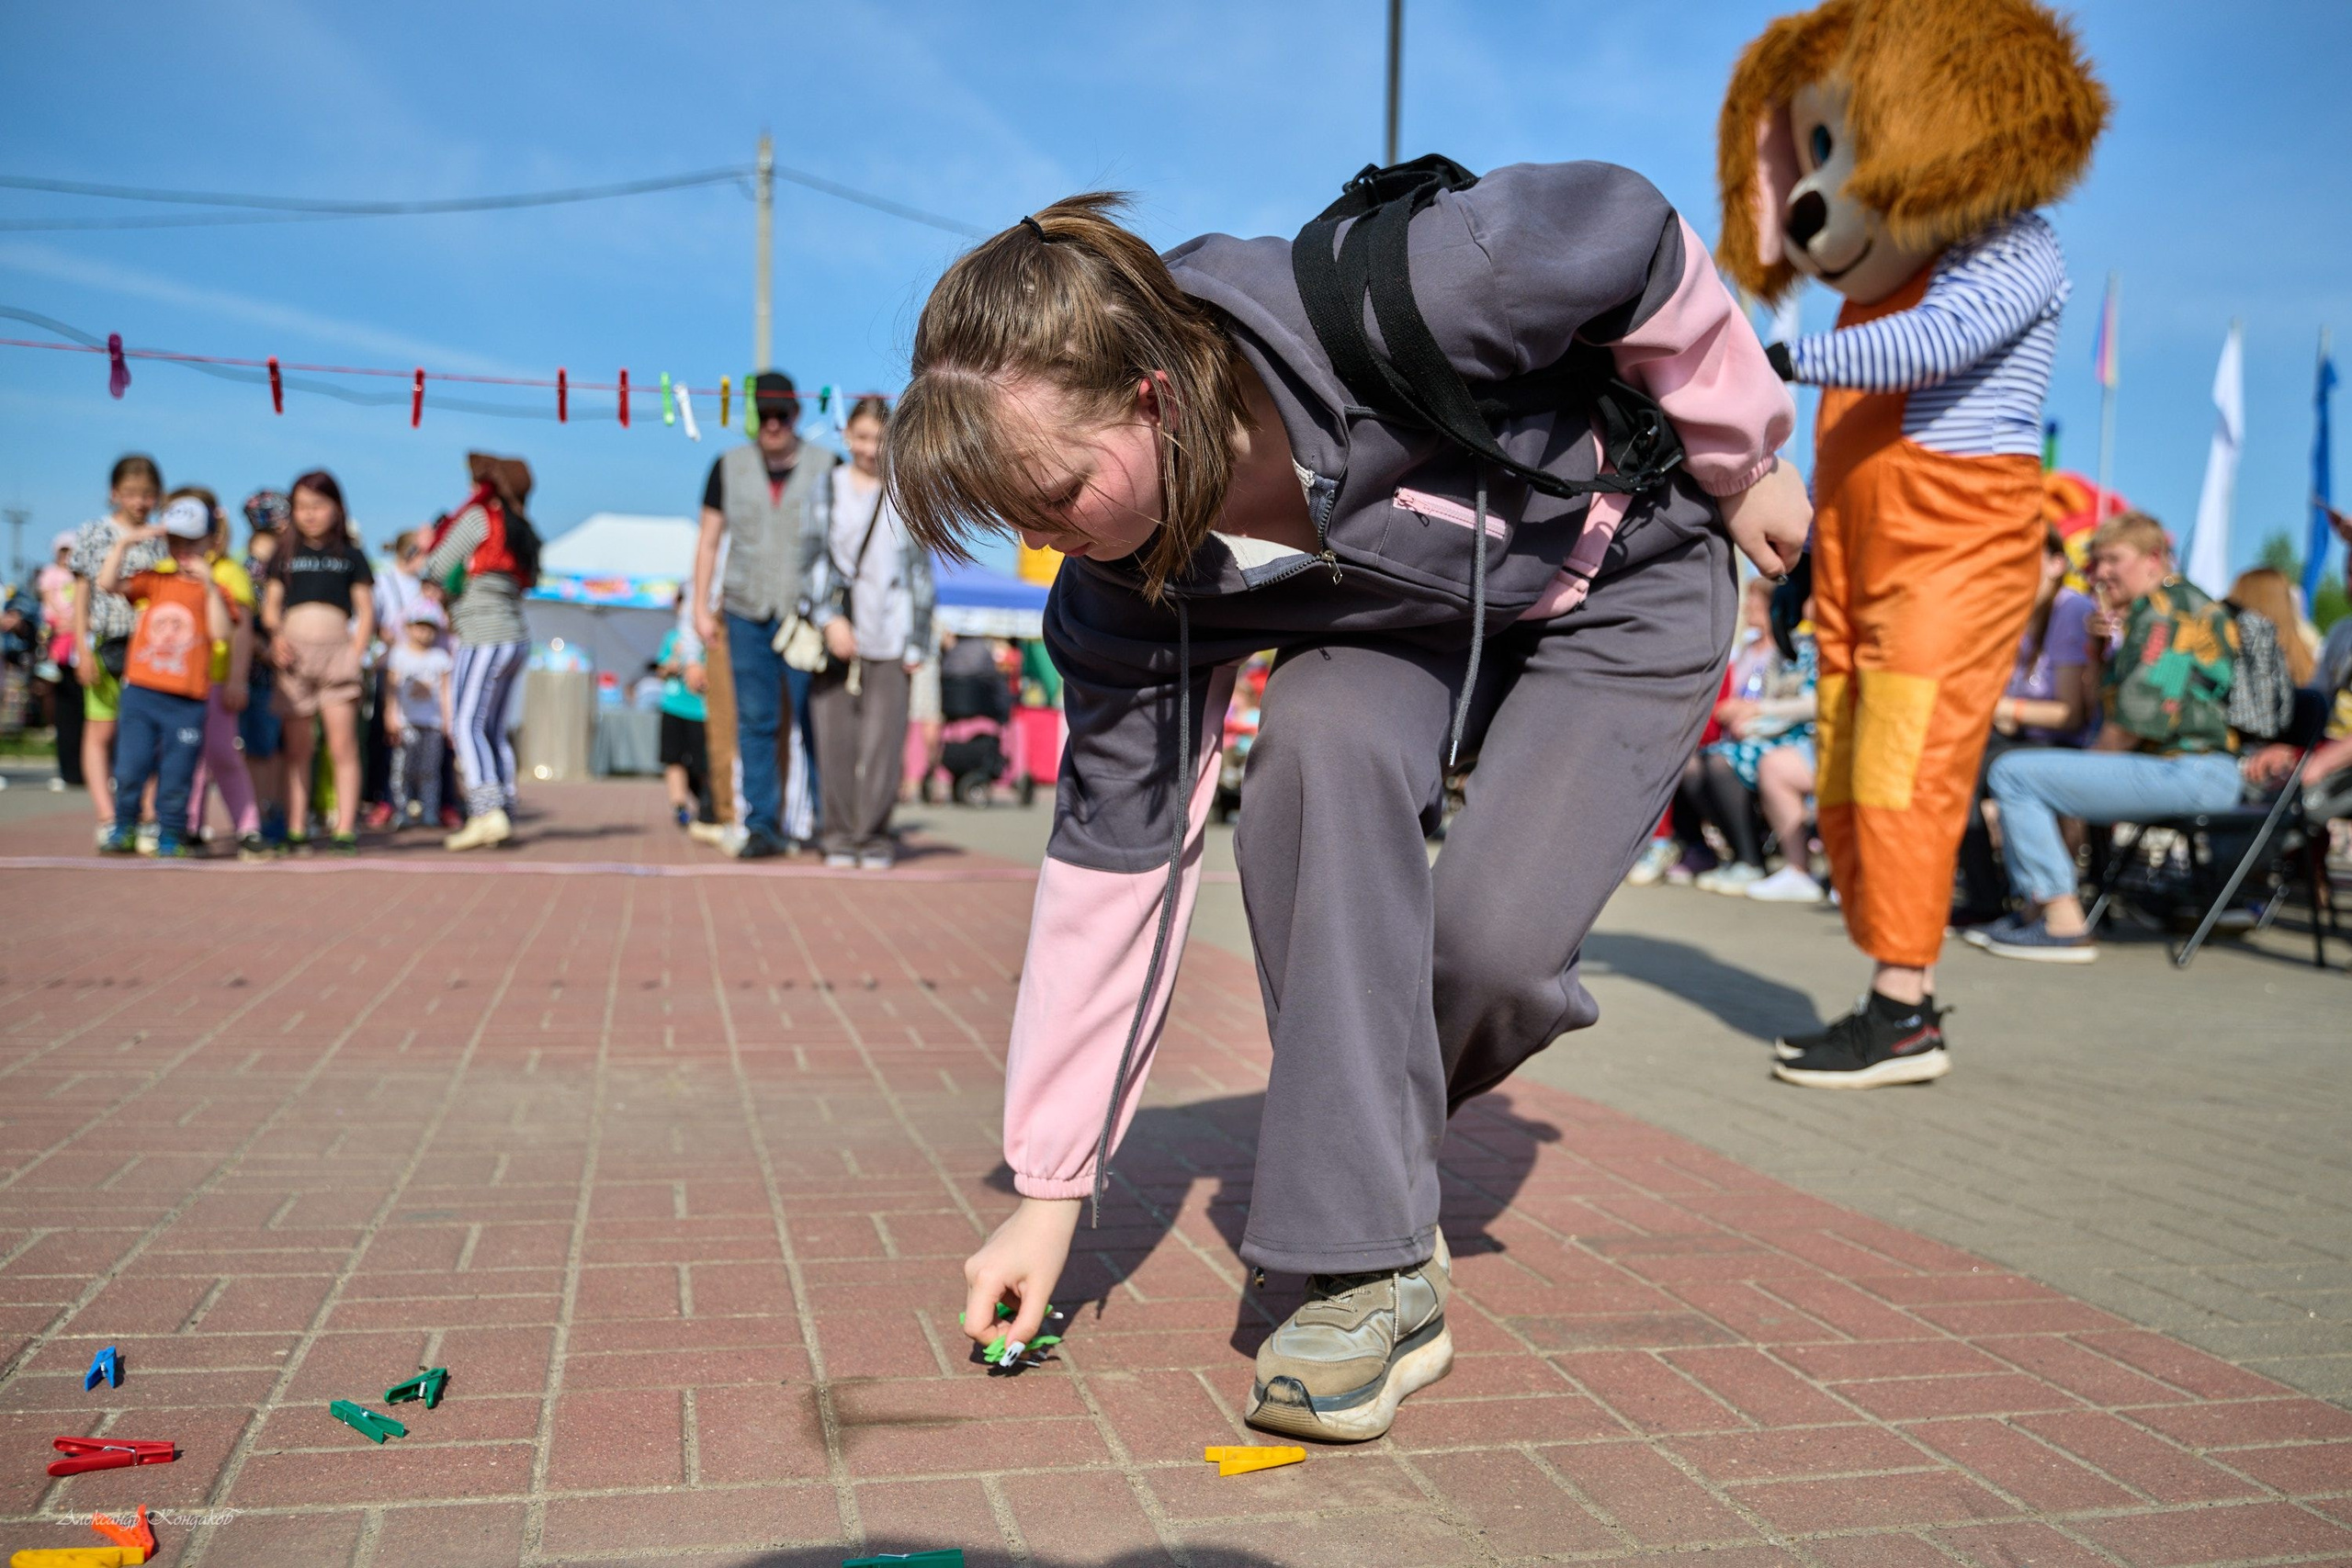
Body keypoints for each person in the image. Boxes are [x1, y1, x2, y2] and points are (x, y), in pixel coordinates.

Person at [888, 175, 1804, 1440]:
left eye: (1057, 494)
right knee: (1315, 743)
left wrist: (1743, 456)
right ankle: (1370, 1268)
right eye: (1014, 520)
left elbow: (1627, 230)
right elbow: (1113, 877)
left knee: (1491, 950)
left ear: (1151, 396)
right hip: (1402, 626)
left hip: (1627, 579)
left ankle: (1366, 1154)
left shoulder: (1413, 289)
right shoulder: (1122, 591)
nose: (1049, 541)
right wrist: (1049, 1193)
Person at [1967, 512, 2245, 964]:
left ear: (2153, 558)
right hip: (2179, 768)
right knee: (2023, 770)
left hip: (2192, 771)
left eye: (2113, 559)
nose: (2098, 573)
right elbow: (2113, 709)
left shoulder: (2167, 615)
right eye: (2095, 562)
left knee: (2014, 773)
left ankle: (2060, 921)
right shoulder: (2154, 611)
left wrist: (2073, 778)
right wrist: (2097, 652)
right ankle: (2035, 911)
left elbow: (2133, 724)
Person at [689, 372, 837, 858]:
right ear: (754, 416)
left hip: (805, 617)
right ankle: (762, 825)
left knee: (815, 721)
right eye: (764, 414)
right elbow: (708, 541)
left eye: (782, 415)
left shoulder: (828, 466)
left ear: (796, 414)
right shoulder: (726, 466)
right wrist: (699, 608)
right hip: (745, 611)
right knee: (755, 721)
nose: (773, 424)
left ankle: (827, 822)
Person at [808, 396, 934, 869]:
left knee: (885, 742)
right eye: (861, 437)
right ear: (847, 436)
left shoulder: (908, 492)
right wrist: (828, 618)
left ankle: (874, 836)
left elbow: (921, 572)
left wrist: (918, 639)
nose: (869, 448)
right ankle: (838, 835)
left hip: (892, 632)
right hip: (838, 634)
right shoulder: (827, 487)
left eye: (879, 439)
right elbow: (809, 559)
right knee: (835, 741)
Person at [1951, 526, 2099, 923]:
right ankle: (1987, 894)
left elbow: (2070, 715)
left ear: (2056, 563)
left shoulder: (2071, 610)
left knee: (1964, 769)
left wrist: (2002, 708)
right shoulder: (2016, 613)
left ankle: (2004, 899)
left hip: (2067, 744)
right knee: (1950, 759)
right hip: (2023, 738)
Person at [93, 493, 232, 857]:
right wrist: (125, 543)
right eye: (175, 540)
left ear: (211, 541)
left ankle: (171, 832)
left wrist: (209, 585)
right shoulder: (155, 580)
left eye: (192, 541)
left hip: (187, 700)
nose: (183, 549)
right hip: (141, 692)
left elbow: (221, 633)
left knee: (178, 771)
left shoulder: (215, 590)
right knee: (130, 765)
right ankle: (124, 826)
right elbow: (107, 583)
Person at [419, 453, 539, 852]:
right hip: (515, 635)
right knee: (492, 729)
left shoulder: (480, 518)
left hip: (483, 635)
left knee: (465, 724)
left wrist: (428, 548)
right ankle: (504, 806)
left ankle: (486, 812)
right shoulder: (521, 528)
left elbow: (437, 565)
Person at [1688, 581, 1822, 901]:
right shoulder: (1794, 644)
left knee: (1724, 762)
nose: (1748, 608)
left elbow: (1812, 703)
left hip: (1799, 737)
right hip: (1775, 732)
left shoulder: (1807, 647)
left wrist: (1758, 716)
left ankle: (1753, 859)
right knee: (1695, 764)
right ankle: (1740, 855)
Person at [263, 469, 373, 854]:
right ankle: (296, 828)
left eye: (318, 505)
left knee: (342, 747)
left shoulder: (352, 556)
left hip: (338, 657)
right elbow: (271, 608)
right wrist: (276, 638)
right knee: (297, 749)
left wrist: (355, 654)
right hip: (293, 660)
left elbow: (366, 611)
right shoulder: (283, 554)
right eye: (301, 506)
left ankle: (344, 829)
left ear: (337, 508)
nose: (309, 514)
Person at [68, 455, 167, 847]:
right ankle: (108, 816)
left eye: (147, 494)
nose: (139, 502)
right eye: (131, 493)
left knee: (149, 734)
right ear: (114, 493)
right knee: (101, 730)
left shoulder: (162, 537)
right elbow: (82, 593)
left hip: (150, 649)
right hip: (105, 642)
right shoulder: (94, 532)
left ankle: (148, 814)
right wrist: (81, 649)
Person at [179, 491, 265, 859]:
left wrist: (236, 679)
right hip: (176, 684)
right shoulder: (165, 570)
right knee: (186, 760)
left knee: (223, 754)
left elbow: (242, 631)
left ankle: (248, 827)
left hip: (215, 681)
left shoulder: (230, 572)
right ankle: (189, 827)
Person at [239, 492, 290, 844]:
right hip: (261, 676)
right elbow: (244, 625)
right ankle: (263, 819)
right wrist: (266, 651)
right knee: (262, 751)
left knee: (284, 750)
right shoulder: (252, 571)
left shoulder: (283, 566)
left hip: (285, 676)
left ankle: (279, 818)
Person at [385, 601, 453, 829]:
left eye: (429, 628)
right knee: (401, 770)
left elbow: (446, 692)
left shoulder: (441, 657)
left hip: (432, 724)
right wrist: (390, 715)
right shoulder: (399, 655)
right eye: (419, 626)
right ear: (409, 628)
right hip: (406, 723)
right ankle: (401, 810)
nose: (424, 632)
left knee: (429, 771)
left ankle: (429, 811)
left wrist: (448, 721)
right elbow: (391, 688)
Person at [656, 593, 711, 829]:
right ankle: (679, 807)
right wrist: (671, 666)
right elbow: (660, 669)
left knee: (703, 763)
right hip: (673, 706)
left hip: (701, 710)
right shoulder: (672, 638)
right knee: (673, 758)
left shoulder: (710, 635)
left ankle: (707, 805)